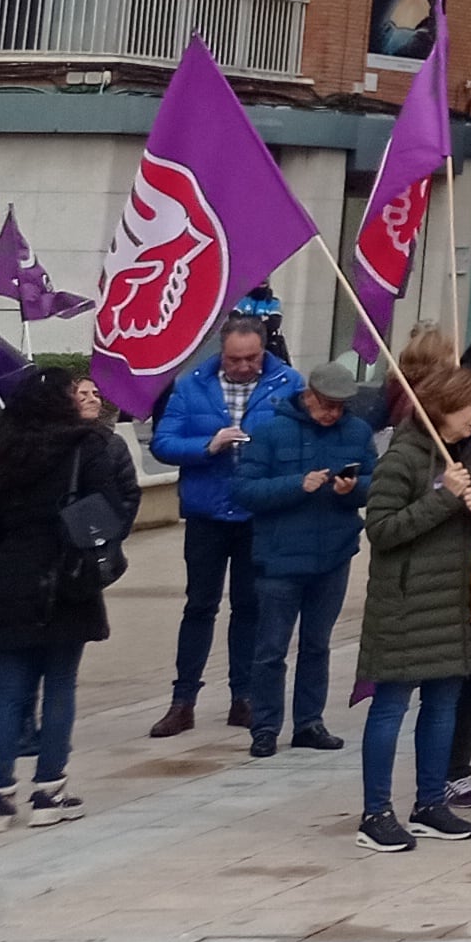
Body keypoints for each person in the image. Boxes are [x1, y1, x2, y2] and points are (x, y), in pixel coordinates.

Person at [0, 367, 134, 829]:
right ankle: (49, 790)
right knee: (60, 684)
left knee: (10, 691)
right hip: (69, 575)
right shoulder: (86, 446)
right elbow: (112, 511)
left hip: (14, 579)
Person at [354, 363, 471, 851]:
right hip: (405, 605)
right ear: (443, 407)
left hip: (454, 603)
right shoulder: (404, 456)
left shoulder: (470, 453)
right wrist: (442, 497)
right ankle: (376, 813)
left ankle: (431, 803)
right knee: (391, 707)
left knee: (443, 707)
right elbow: (383, 530)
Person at [143, 312, 299, 740]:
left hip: (257, 514)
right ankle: (183, 700)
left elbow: (303, 439)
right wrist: (207, 446)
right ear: (222, 354)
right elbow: (163, 442)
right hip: (207, 512)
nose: (244, 367)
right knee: (199, 606)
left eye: (252, 358)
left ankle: (243, 697)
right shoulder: (192, 385)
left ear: (263, 351)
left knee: (250, 607)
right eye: (235, 360)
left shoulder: (288, 384)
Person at [231, 355, 381, 761]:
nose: (334, 413)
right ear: (309, 396)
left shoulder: (358, 431)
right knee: (271, 649)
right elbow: (245, 491)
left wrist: (356, 488)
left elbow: (379, 483)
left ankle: (309, 722)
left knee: (317, 644)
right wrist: (298, 484)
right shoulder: (271, 432)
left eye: (340, 407)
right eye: (327, 404)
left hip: (333, 555)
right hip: (278, 557)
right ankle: (264, 727)